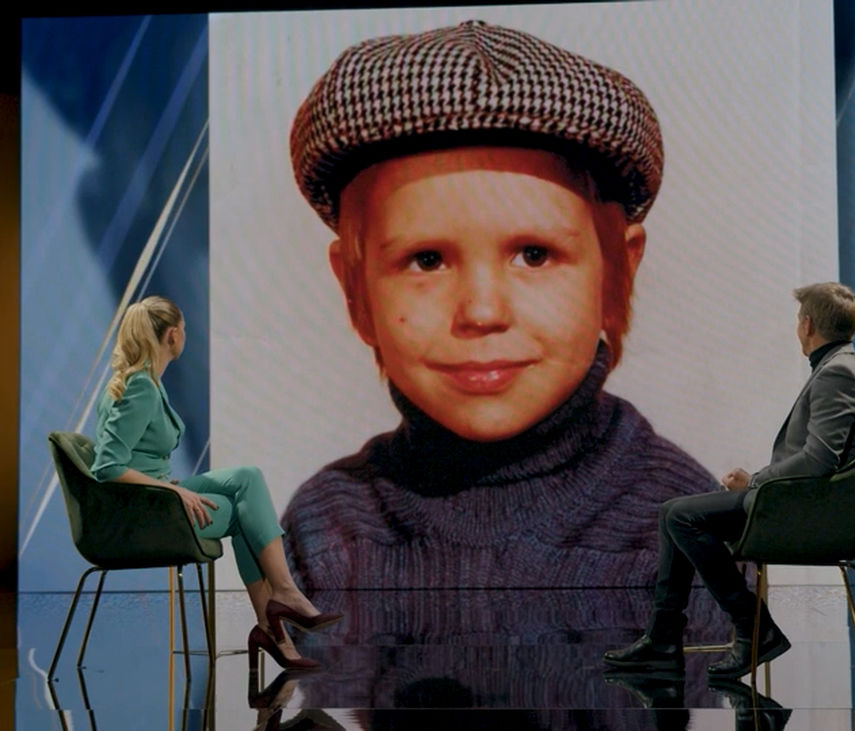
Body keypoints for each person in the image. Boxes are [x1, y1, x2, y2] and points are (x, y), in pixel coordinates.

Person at [278, 20, 722, 591]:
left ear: (617, 274)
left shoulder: (679, 523)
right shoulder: (327, 526)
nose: (482, 312)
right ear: (355, 292)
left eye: (534, 255)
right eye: (427, 260)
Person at [603, 282, 855, 680]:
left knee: (680, 516)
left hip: (811, 514)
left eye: (797, 321)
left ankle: (752, 627)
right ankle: (664, 638)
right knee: (674, 513)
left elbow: (819, 461)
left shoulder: (837, 374)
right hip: (809, 504)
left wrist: (755, 482)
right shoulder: (842, 367)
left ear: (807, 325)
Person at [91, 295, 341, 670]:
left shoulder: (146, 383)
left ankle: (278, 612)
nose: (185, 336)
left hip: (156, 498)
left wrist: (169, 485)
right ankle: (278, 612)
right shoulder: (140, 387)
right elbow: (106, 467)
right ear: (173, 335)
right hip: (148, 512)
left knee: (248, 478)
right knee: (244, 514)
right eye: (185, 331)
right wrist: (173, 489)